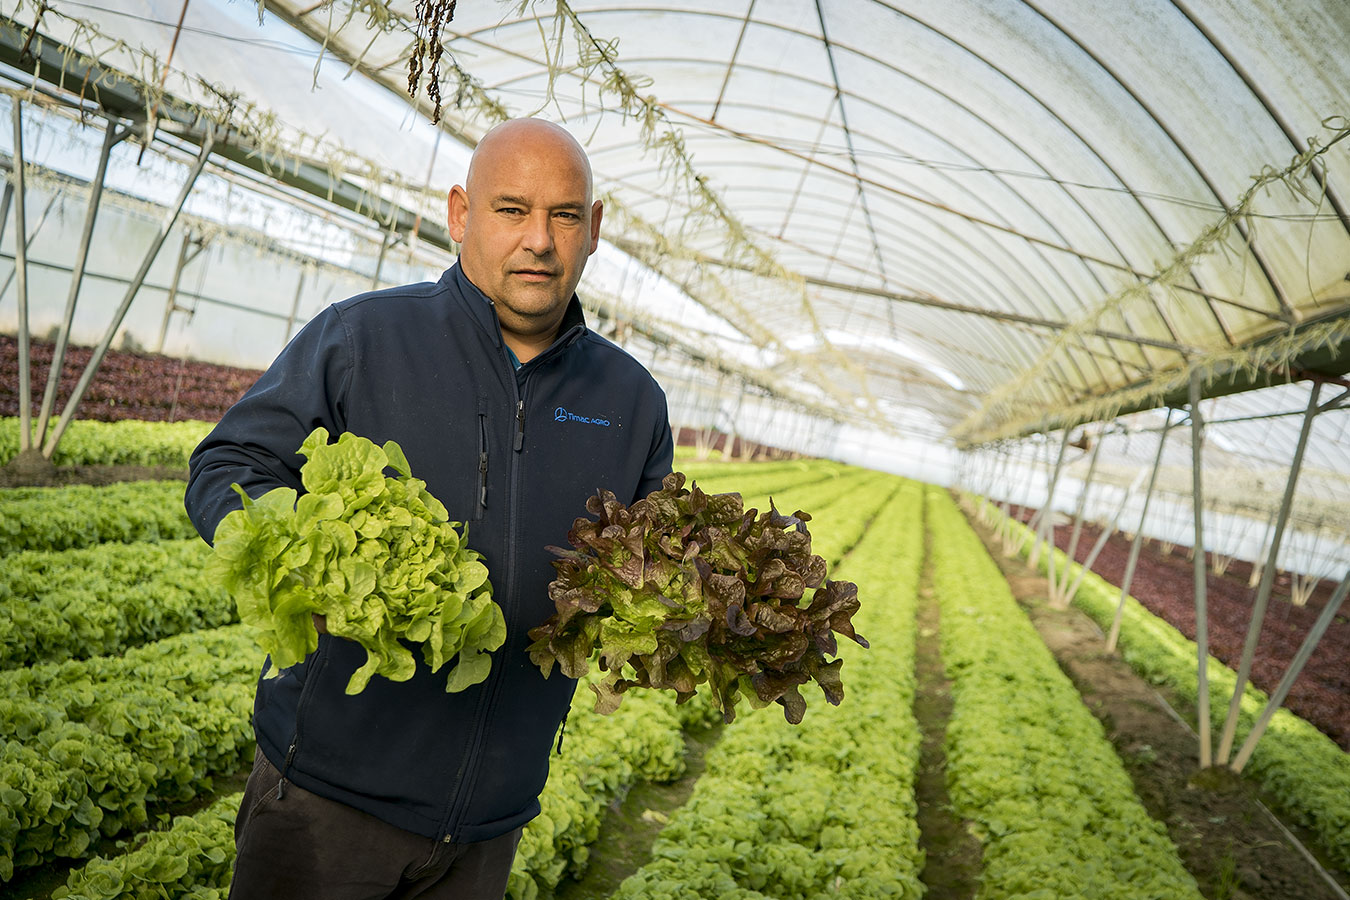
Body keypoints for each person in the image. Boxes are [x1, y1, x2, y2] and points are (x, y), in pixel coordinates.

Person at [185, 118, 674, 900]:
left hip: (488, 829)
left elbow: (647, 568)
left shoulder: (632, 402)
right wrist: (297, 559)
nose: (539, 241)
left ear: (595, 230)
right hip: (326, 804)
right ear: (460, 214)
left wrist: (663, 630)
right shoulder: (365, 337)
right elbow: (229, 464)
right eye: (512, 209)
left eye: (565, 215)